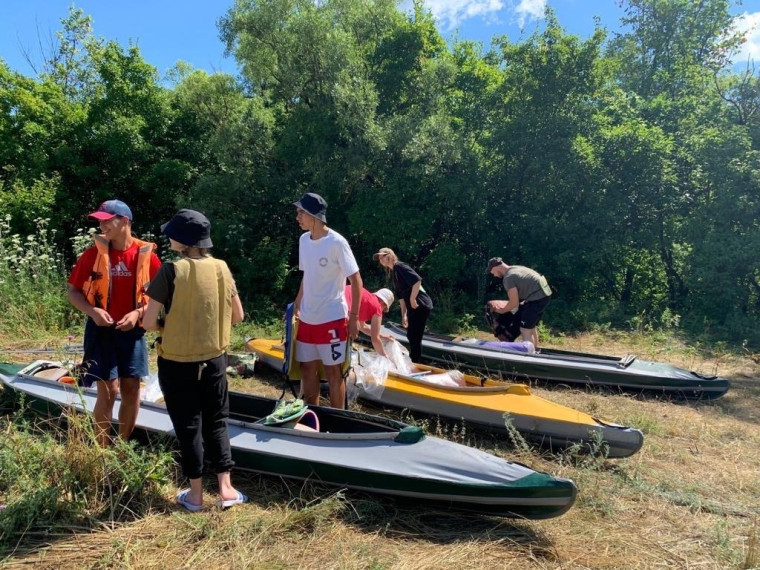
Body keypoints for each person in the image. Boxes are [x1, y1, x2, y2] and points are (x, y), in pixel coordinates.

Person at [143, 209, 247, 512]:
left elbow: (149, 322)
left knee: (189, 425)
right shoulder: (222, 268)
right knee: (217, 421)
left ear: (182, 241)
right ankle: (226, 490)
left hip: (176, 362)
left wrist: (168, 325)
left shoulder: (170, 270)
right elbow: (238, 316)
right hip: (214, 360)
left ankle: (196, 495)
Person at [67, 199, 161, 447]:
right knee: (108, 391)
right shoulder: (92, 254)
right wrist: (93, 311)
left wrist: (139, 313)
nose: (102, 225)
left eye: (107, 220)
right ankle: (103, 450)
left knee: (131, 390)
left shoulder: (147, 255)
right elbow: (73, 292)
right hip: (101, 330)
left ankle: (123, 448)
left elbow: (160, 297)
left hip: (133, 332)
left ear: (125, 221)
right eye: (100, 220)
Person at [293, 192, 362, 409]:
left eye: (300, 212)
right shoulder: (304, 240)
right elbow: (308, 275)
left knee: (334, 372)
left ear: (314, 215)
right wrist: (297, 303)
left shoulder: (337, 242)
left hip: (332, 318)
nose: (297, 217)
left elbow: (356, 280)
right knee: (306, 369)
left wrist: (354, 318)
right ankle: (311, 416)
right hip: (307, 318)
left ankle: (337, 421)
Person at [373, 247, 433, 363]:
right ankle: (414, 361)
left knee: (415, 335)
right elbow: (401, 298)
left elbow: (417, 280)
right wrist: (404, 315)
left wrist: (412, 298)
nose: (381, 259)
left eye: (383, 256)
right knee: (411, 335)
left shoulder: (400, 266)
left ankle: (415, 362)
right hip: (412, 305)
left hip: (420, 303)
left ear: (390, 255)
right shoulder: (394, 272)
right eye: (379, 258)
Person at [486, 257, 552, 347]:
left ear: (496, 267)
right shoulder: (515, 268)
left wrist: (501, 310)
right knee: (530, 326)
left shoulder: (508, 278)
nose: (494, 275)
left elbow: (514, 303)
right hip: (543, 295)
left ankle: (528, 356)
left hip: (536, 298)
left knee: (525, 329)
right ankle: (535, 350)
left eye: (492, 272)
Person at [343, 285, 394, 358]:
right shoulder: (377, 308)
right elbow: (375, 339)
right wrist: (385, 355)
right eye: (385, 309)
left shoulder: (366, 298)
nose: (383, 311)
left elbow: (362, 326)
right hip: (341, 313)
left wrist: (382, 336)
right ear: (384, 304)